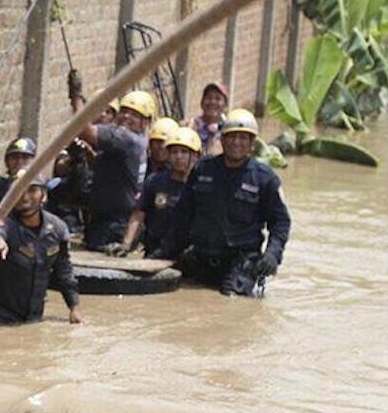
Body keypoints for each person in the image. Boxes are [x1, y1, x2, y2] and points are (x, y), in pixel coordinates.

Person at [152, 109, 291, 297]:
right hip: (202, 256)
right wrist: (163, 252)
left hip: (241, 261)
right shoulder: (203, 170)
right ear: (222, 139)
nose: (236, 143)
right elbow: (183, 216)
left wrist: (272, 255)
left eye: (243, 138)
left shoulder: (265, 179)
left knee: (230, 302)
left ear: (252, 143)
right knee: (169, 289)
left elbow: (280, 222)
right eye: (231, 137)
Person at [0, 170, 82, 325]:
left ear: (44, 195)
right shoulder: (4, 222)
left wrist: (74, 307)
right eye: (18, 191)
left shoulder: (57, 229)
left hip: (32, 314)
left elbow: (64, 271)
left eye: (31, 190)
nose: (24, 197)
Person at [71, 88, 155, 250]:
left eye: (134, 115)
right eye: (123, 111)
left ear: (145, 122)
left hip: (113, 224)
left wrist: (76, 98)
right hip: (115, 220)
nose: (126, 117)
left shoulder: (127, 139)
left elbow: (85, 130)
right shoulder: (140, 139)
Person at [114, 126, 202, 257]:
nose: (178, 157)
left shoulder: (201, 185)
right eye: (174, 152)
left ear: (195, 155)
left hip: (187, 254)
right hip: (156, 251)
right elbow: (138, 215)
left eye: (184, 152)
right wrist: (126, 244)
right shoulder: (155, 181)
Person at [183, 82, 228, 157]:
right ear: (201, 102)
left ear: (225, 105)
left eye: (218, 98)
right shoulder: (191, 126)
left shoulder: (228, 128)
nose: (212, 102)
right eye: (209, 97)